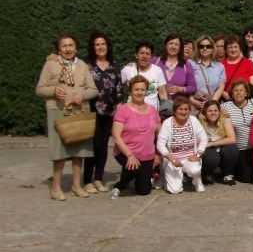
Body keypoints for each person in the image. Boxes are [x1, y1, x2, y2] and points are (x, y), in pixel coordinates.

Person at [36, 33, 99, 200]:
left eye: (71, 45)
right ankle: (56, 187)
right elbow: (39, 89)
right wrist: (53, 90)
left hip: (79, 110)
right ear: (59, 48)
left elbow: (93, 90)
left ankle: (76, 185)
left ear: (76, 47)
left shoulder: (83, 66)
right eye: (64, 46)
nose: (68, 49)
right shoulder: (50, 64)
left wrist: (83, 95)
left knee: (79, 150)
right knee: (60, 151)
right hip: (57, 110)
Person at [110, 75, 162, 199]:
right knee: (134, 168)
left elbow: (159, 135)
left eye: (142, 90)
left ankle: (134, 176)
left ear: (146, 91)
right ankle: (119, 185)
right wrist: (130, 155)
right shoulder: (123, 110)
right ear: (130, 92)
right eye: (136, 89)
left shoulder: (153, 110)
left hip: (147, 155)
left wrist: (158, 154)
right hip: (126, 152)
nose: (139, 92)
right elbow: (116, 136)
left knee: (144, 191)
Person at [83, 31, 122, 193]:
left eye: (103, 44)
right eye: (97, 44)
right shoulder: (86, 64)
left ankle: (98, 178)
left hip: (109, 111)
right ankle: (87, 180)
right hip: (91, 111)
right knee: (92, 145)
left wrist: (119, 106)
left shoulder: (113, 65)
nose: (100, 47)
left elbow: (119, 88)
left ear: (107, 46)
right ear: (93, 47)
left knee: (103, 145)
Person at [157, 97, 207, 194]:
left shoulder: (193, 120)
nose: (183, 112)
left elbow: (204, 138)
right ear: (175, 111)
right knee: (175, 190)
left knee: (195, 170)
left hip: (189, 158)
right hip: (174, 159)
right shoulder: (167, 123)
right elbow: (160, 144)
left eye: (186, 109)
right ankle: (170, 176)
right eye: (180, 109)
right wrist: (172, 159)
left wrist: (197, 155)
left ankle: (197, 181)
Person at [221, 79, 253, 183]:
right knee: (246, 178)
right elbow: (210, 110)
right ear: (231, 93)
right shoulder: (225, 106)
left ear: (246, 93)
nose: (238, 93)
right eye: (235, 90)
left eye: (241, 90)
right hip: (239, 149)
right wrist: (221, 114)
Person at [199, 100, 238, 186]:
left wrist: (211, 143)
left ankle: (227, 175)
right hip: (207, 151)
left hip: (218, 147)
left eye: (215, 110)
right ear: (205, 112)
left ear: (219, 112)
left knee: (232, 149)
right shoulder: (200, 122)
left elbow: (232, 139)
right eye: (210, 111)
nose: (213, 113)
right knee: (212, 158)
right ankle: (206, 174)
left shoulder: (225, 120)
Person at [121, 42, 168, 109]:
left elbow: (162, 93)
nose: (144, 56)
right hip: (131, 111)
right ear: (136, 55)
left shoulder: (157, 70)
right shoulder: (128, 69)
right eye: (142, 53)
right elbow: (117, 87)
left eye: (147, 54)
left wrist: (165, 109)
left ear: (151, 56)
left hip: (152, 112)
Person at [154, 33, 197, 101]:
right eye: (171, 43)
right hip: (156, 105)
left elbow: (193, 87)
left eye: (176, 44)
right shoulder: (155, 61)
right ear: (166, 45)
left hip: (179, 107)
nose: (173, 47)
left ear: (180, 48)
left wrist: (180, 89)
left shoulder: (186, 65)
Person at [190, 35, 225, 112]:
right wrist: (193, 101)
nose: (205, 48)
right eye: (201, 46)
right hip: (194, 104)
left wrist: (211, 103)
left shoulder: (220, 67)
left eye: (208, 46)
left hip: (212, 105)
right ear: (198, 49)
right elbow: (186, 85)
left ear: (212, 49)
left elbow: (221, 87)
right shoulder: (191, 64)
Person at [221, 34, 253, 100]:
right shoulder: (220, 65)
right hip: (226, 100)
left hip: (245, 100)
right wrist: (224, 94)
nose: (233, 50)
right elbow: (217, 85)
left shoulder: (248, 63)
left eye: (236, 47)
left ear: (240, 48)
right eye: (230, 47)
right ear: (226, 49)